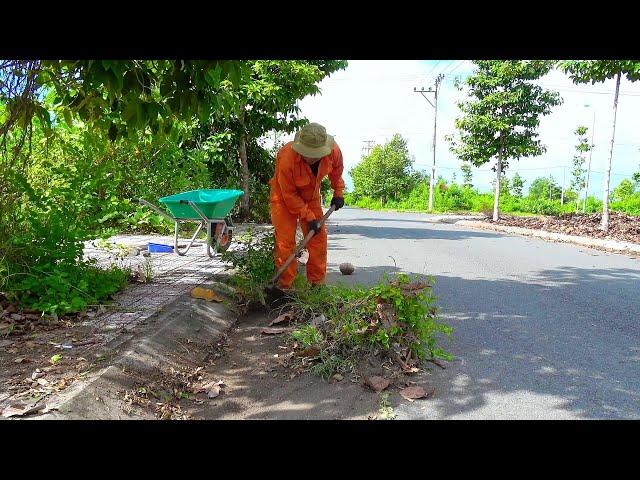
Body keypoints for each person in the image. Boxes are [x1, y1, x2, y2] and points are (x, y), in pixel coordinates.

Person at [269, 122, 345, 290]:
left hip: (311, 197)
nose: (310, 157)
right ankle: (284, 287)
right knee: (285, 242)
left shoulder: (333, 151)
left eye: (314, 154)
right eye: (307, 153)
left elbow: (337, 171)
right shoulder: (286, 157)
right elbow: (288, 194)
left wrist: (338, 191)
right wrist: (308, 217)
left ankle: (317, 285)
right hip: (282, 197)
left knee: (318, 239)